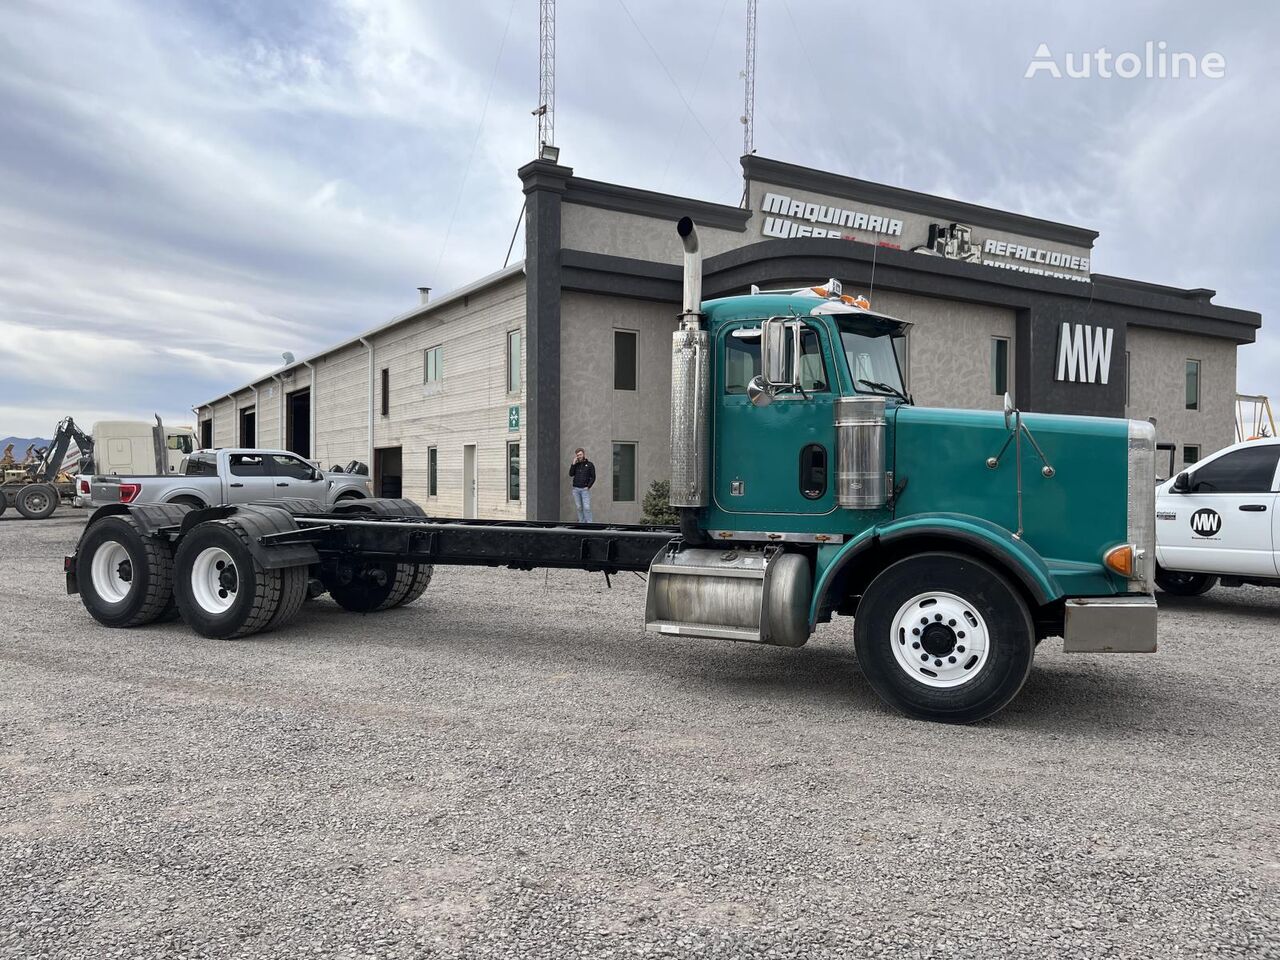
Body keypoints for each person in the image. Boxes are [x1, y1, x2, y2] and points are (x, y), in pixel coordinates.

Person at [568, 447, 596, 523]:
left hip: (584, 489)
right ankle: (581, 522)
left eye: (580, 454)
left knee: (587, 508)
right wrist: (573, 464)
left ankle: (589, 523)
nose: (579, 456)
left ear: (583, 454)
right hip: (576, 489)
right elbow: (571, 474)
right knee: (579, 507)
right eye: (577, 455)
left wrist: (588, 486)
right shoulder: (576, 465)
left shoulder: (590, 465)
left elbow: (593, 477)